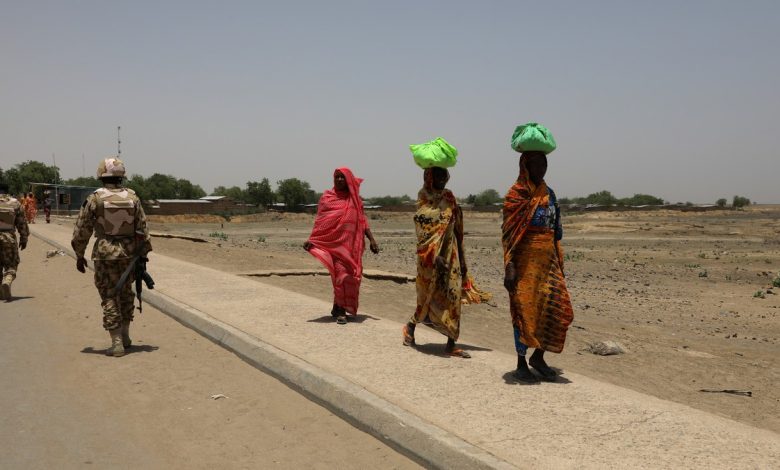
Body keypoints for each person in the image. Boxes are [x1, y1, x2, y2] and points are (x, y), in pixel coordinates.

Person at [402, 138, 491, 358]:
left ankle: (451, 344)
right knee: (427, 299)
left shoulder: (450, 199)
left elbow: (456, 227)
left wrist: (458, 256)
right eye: (438, 175)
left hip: (451, 258)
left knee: (453, 298)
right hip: (429, 262)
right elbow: (423, 233)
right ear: (429, 177)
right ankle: (410, 327)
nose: (442, 179)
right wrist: (433, 256)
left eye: (444, 175)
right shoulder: (423, 201)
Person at [503, 123, 574, 382]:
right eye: (536, 163)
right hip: (523, 266)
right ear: (524, 165)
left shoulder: (550, 194)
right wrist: (509, 266)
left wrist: (559, 261)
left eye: (544, 164)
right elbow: (508, 235)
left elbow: (557, 231)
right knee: (523, 313)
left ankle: (539, 356)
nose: (541, 168)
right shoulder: (515, 196)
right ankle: (521, 362)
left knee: (557, 310)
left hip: (549, 265)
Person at [71, 157, 152, 357]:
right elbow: (143, 228)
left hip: (105, 254)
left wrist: (79, 254)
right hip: (129, 254)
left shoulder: (95, 198)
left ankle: (116, 343)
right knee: (125, 293)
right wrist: (142, 254)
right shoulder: (133, 198)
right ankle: (125, 336)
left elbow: (82, 230)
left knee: (109, 295)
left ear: (101, 175)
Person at [303, 168, 379, 324]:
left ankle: (337, 305)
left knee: (345, 276)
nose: (339, 180)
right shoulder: (327, 198)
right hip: (332, 246)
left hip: (349, 247)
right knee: (340, 275)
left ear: (349, 180)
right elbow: (321, 223)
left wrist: (371, 239)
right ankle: (342, 311)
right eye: (337, 177)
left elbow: (362, 221)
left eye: (342, 177)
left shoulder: (356, 201)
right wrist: (313, 240)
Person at [0, 183, 29, 301]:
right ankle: (7, 281)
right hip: (8, 238)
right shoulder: (15, 203)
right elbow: (22, 223)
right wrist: (24, 238)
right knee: (11, 264)